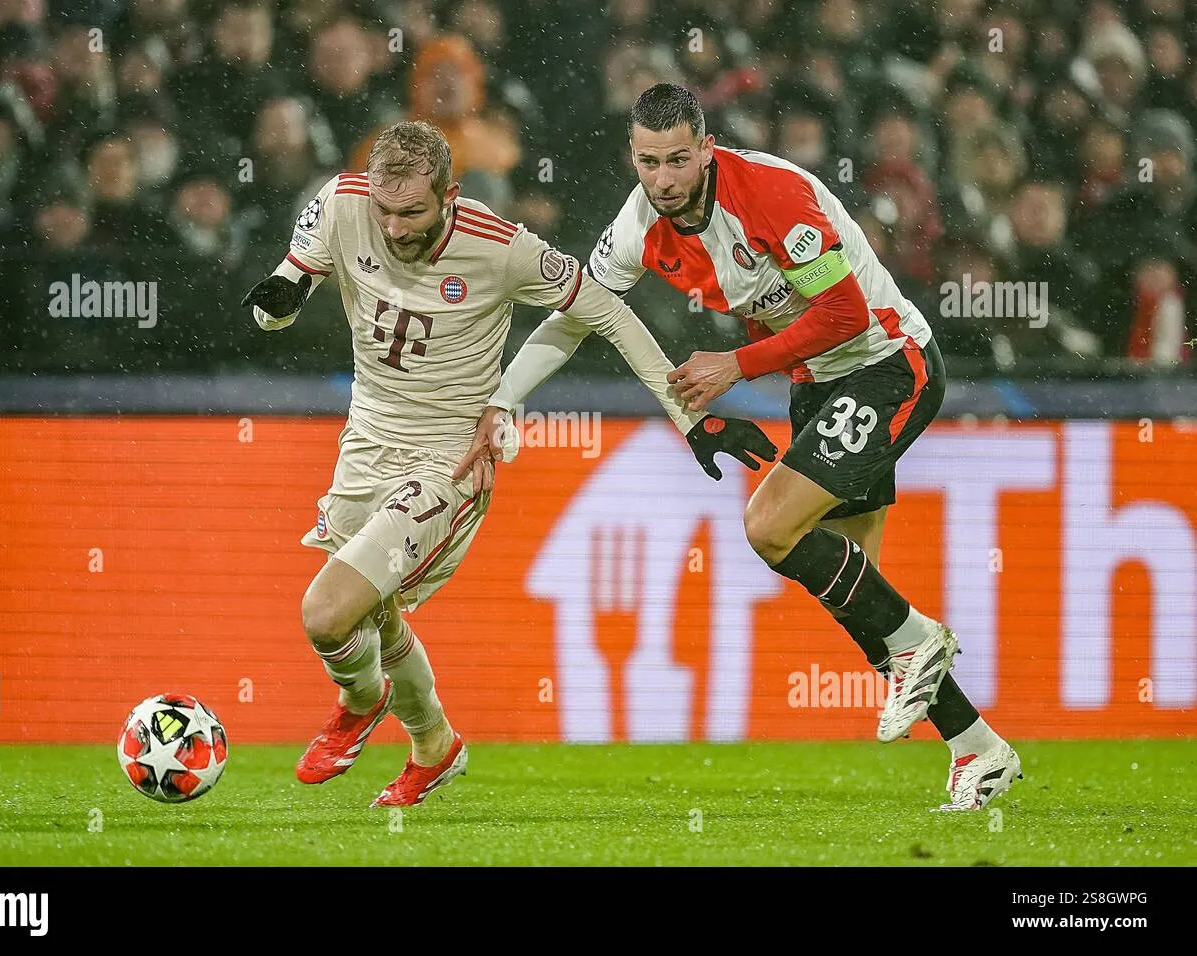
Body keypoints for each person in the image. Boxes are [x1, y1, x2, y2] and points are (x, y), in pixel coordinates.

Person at [469, 84, 1020, 811]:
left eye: (676, 160)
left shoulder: (769, 196)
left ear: (705, 150)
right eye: (647, 162)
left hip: (889, 364)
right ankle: (980, 750)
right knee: (861, 594)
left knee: (769, 527)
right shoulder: (638, 224)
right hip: (818, 381)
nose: (662, 179)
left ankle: (923, 642)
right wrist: (503, 397)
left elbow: (845, 311)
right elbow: (577, 317)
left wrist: (735, 365)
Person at [242, 119, 771, 807]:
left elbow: (606, 312)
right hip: (364, 444)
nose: (396, 228)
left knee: (326, 612)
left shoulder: (500, 248)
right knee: (371, 613)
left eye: (413, 212)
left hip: (449, 461)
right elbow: (282, 297)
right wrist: (274, 310)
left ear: (451, 195)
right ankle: (435, 747)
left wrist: (688, 416)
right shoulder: (339, 202)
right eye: (385, 210)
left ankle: (360, 700)